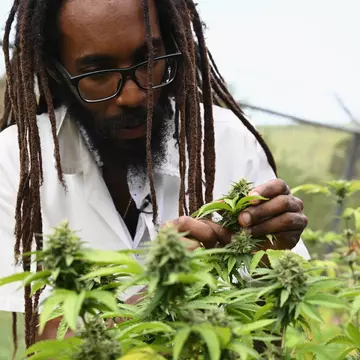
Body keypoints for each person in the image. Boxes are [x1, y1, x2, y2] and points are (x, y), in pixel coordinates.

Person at [0, 0, 309, 345]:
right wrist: (166, 287)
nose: (133, 95)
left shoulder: (228, 143)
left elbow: (269, 340)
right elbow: (46, 344)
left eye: (149, 62)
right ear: (57, 71)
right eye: (98, 74)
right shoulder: (16, 161)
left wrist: (266, 256)